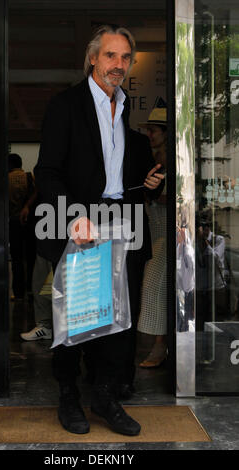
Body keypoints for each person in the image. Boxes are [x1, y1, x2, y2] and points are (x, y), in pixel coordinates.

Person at [34, 25, 164, 436]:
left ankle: (105, 397)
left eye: (125, 58)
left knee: (116, 320)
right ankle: (68, 396)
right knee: (76, 320)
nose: (119, 65)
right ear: (93, 58)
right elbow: (48, 172)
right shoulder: (66, 105)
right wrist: (74, 216)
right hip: (78, 223)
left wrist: (140, 186)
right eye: (111, 56)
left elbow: (110, 177)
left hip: (119, 223)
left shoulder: (123, 109)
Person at [137, 107, 168, 367]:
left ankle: (160, 345)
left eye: (154, 130)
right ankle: (162, 344)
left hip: (169, 231)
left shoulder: (172, 161)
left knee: (153, 285)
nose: (149, 134)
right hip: (154, 229)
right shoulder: (153, 158)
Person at [8, 153, 36, 300]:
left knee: (17, 258)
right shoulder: (30, 177)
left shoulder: (6, 179)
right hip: (30, 223)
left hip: (13, 222)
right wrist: (27, 206)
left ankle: (18, 292)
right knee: (31, 257)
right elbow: (38, 193)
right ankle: (31, 290)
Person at [20, 254, 53, 341]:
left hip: (65, 245)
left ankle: (48, 325)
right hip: (45, 245)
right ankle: (45, 325)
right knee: (40, 282)